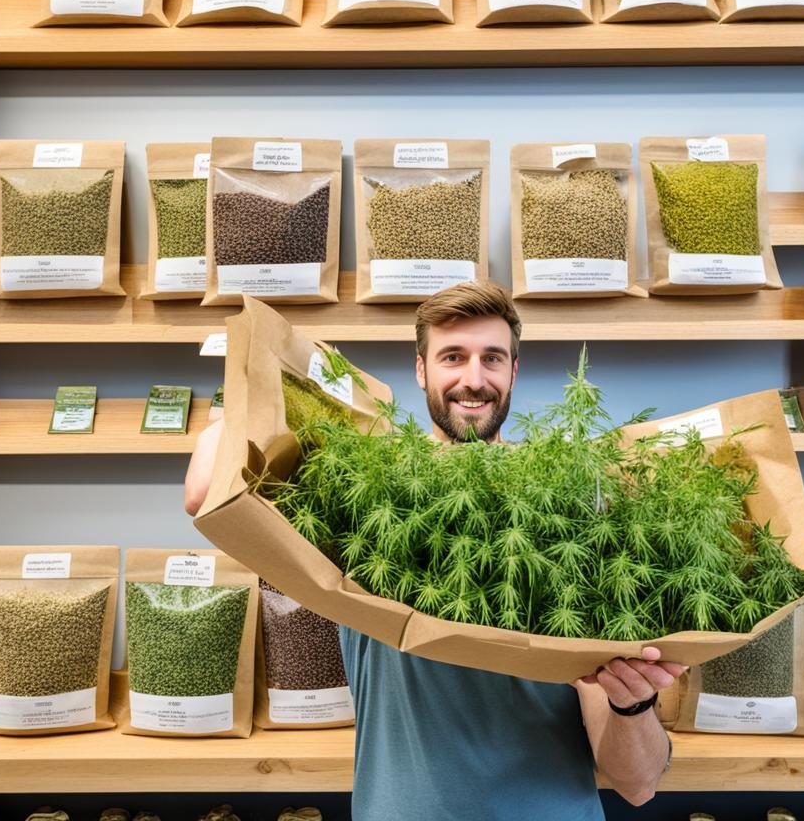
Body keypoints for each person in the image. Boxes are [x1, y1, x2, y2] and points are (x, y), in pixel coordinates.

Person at [185, 280, 683, 819]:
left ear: (513, 371)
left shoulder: (576, 504)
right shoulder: (367, 490)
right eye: (452, 357)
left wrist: (632, 703)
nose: (474, 379)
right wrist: (260, 365)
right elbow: (203, 490)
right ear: (421, 369)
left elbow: (638, 785)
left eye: (492, 358)